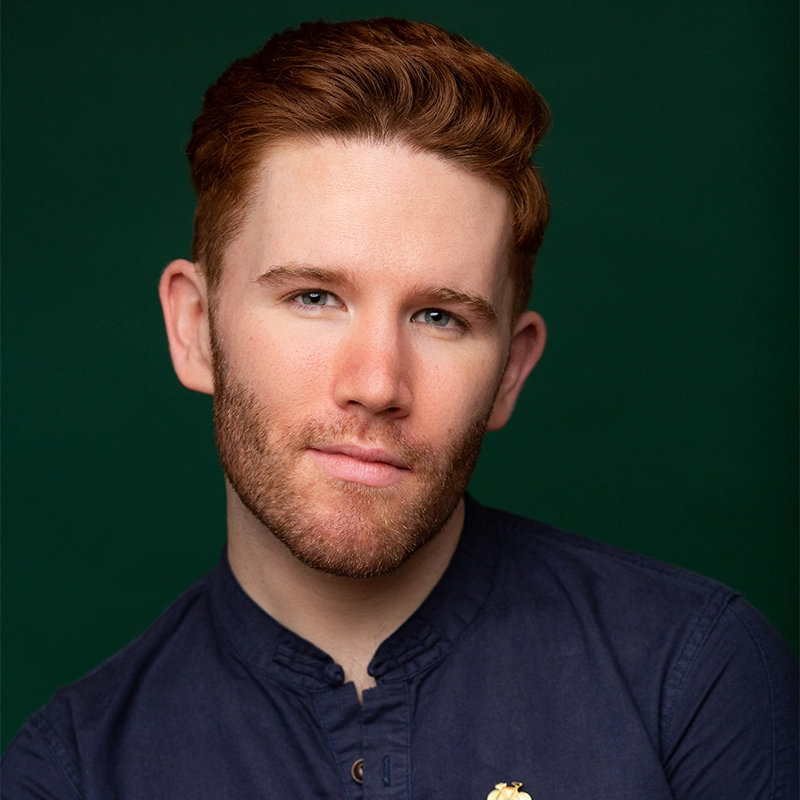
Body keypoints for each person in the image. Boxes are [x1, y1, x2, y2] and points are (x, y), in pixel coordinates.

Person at [2, 18, 797, 799]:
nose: (378, 383)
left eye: (439, 317)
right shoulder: (70, 773)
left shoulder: (694, 677)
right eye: (313, 297)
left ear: (511, 371)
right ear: (195, 330)